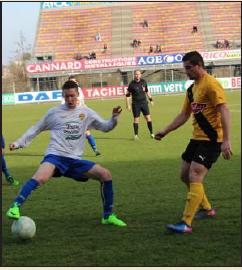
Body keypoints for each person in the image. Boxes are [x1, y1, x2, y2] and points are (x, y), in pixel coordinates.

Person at [6, 80, 126, 227]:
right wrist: (18, 143)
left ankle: (108, 216)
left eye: (72, 96)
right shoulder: (54, 113)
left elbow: (105, 127)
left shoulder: (86, 113)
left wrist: (114, 118)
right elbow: (35, 128)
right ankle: (14, 207)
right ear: (63, 96)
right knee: (41, 177)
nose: (70, 99)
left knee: (106, 175)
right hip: (55, 155)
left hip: (75, 160)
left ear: (78, 95)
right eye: (67, 96)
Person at [155, 51, 232, 233]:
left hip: (212, 140)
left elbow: (224, 111)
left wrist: (226, 141)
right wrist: (165, 131)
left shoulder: (212, 85)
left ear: (198, 65)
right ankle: (207, 209)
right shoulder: (192, 89)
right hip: (196, 139)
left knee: (195, 175)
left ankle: (186, 223)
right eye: (185, 68)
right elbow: (184, 115)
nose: (186, 71)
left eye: (188, 68)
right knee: (184, 175)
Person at [64, 75, 101, 156]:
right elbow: (64, 104)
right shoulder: (66, 92)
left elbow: (82, 103)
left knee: (87, 132)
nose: (73, 83)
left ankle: (95, 150)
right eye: (71, 82)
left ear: (77, 83)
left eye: (74, 82)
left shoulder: (79, 90)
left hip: (81, 114)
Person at [126, 70, 154, 139]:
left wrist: (151, 100)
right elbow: (127, 95)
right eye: (136, 74)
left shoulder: (143, 82)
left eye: (138, 74)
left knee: (148, 118)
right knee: (136, 119)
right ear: (134, 75)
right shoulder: (131, 84)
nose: (137, 75)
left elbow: (147, 92)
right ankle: (136, 135)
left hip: (144, 103)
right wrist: (128, 105)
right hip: (136, 104)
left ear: (140, 75)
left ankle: (151, 133)